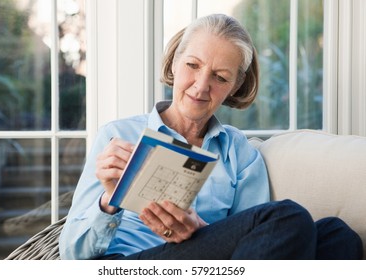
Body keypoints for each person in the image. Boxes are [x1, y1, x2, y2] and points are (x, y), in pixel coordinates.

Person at [59, 14, 363, 260]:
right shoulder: (118, 135)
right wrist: (109, 202)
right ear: (175, 63)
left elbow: (259, 240)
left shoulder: (239, 153)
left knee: (338, 235)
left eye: (220, 77)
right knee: (290, 217)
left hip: (204, 263)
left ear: (235, 85)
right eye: (193, 65)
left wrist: (199, 229)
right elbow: (71, 252)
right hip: (132, 263)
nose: (201, 86)